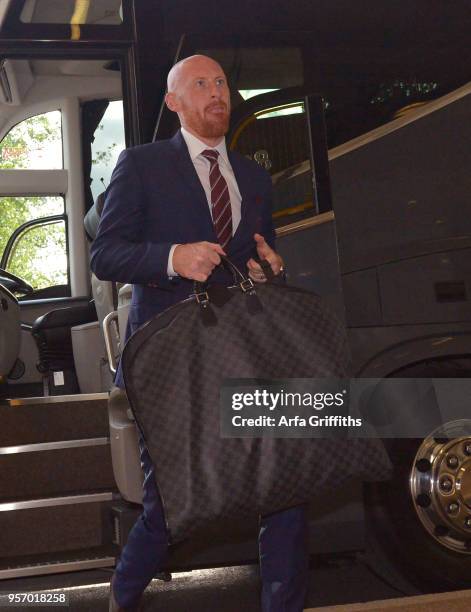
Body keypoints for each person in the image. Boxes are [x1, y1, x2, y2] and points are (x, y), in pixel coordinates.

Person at [90, 54, 308, 612]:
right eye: (201, 84)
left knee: (285, 486)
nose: (216, 92)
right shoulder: (139, 165)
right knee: (171, 502)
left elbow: (256, 257)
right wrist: (172, 258)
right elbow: (106, 254)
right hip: (170, 358)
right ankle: (122, 595)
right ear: (174, 102)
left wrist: (267, 270)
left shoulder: (254, 177)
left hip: (244, 351)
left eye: (222, 82)